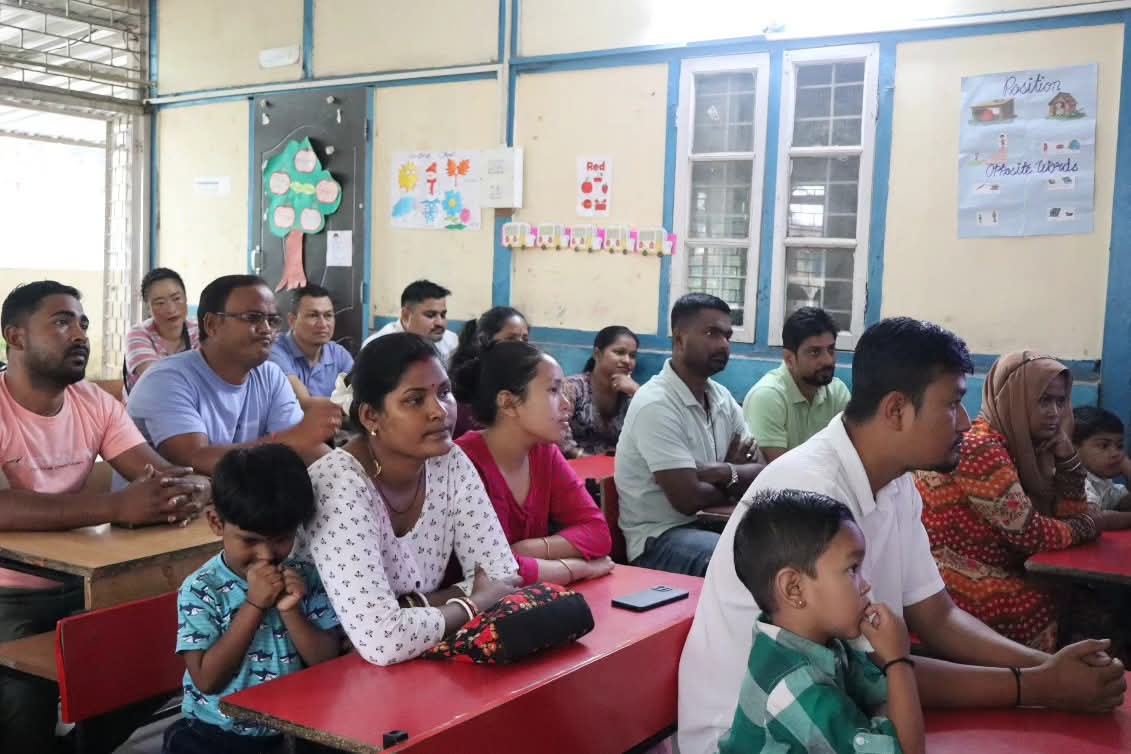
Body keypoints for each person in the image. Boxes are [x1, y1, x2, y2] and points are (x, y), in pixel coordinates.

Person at [678, 318, 1126, 754]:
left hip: (842, 713)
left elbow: (937, 616)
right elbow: (877, 666)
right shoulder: (811, 496)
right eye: (952, 404)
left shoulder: (897, 481)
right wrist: (1038, 684)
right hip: (762, 734)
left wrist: (1047, 668)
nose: (966, 424)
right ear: (896, 410)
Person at [0, 281, 209, 753]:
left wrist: (194, 489)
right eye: (61, 322)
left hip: (86, 581)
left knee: (155, 666)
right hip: (8, 594)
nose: (79, 334)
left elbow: (158, 473)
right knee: (23, 703)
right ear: (15, 337)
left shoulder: (93, 402)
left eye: (83, 322)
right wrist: (115, 506)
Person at [295, 333, 519, 666]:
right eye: (415, 400)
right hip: (307, 671)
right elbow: (384, 642)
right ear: (371, 417)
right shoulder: (339, 484)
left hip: (394, 662)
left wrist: (408, 608)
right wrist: (472, 602)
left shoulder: (449, 460)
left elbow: (502, 579)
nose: (439, 411)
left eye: (444, 392)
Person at [915, 352, 1127, 652]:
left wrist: (1068, 461)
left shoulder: (1030, 450)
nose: (1055, 412)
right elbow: (1034, 534)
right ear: (1012, 398)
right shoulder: (980, 447)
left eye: (1060, 401)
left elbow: (1069, 513)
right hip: (952, 573)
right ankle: (1051, 688)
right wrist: (1090, 523)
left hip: (1006, 564)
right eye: (1043, 401)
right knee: (1067, 608)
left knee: (1092, 605)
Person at [165, 444, 340, 754]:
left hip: (291, 730)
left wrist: (290, 610)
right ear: (217, 523)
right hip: (213, 736)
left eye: (281, 539)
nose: (266, 555)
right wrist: (254, 605)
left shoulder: (305, 578)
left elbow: (326, 662)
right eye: (250, 541)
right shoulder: (202, 589)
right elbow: (207, 679)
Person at [720, 490, 923, 754]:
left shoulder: (821, 644)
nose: (865, 585)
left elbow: (881, 697)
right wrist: (898, 660)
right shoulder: (796, 687)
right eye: (852, 570)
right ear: (794, 588)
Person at [126, 275, 342, 476]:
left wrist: (350, 478)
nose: (267, 329)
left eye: (272, 320)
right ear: (211, 325)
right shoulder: (167, 380)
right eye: (253, 318)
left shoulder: (270, 375)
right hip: (169, 512)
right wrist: (292, 440)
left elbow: (306, 448)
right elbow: (193, 460)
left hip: (237, 505)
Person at [614, 293, 765, 577]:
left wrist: (720, 471)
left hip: (710, 524)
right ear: (679, 340)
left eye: (727, 335)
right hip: (659, 539)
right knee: (744, 563)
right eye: (711, 333)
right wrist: (734, 475)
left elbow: (761, 470)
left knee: (792, 545)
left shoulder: (720, 397)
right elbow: (687, 499)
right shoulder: (656, 403)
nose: (723, 344)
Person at [453, 340, 614, 585]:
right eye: (552, 390)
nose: (566, 404)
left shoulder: (544, 452)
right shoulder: (465, 463)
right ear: (508, 403)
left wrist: (528, 548)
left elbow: (598, 533)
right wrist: (579, 568)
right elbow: (495, 571)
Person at [743, 307, 851, 462]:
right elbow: (778, 472)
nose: (828, 360)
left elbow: (850, 455)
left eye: (831, 349)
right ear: (789, 359)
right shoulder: (768, 396)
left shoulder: (837, 391)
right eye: (814, 352)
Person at [449, 306, 530, 439]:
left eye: (525, 339)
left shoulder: (526, 384)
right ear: (485, 341)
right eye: (511, 339)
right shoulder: (467, 390)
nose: (521, 346)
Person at [559, 325, 639, 458]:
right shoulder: (572, 388)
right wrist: (593, 464)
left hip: (617, 471)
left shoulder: (631, 394)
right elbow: (560, 440)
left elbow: (654, 435)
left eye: (632, 355)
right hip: (573, 469)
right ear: (597, 354)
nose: (627, 361)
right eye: (619, 352)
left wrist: (638, 392)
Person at [268, 283, 354, 407]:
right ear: (292, 321)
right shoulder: (275, 350)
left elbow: (358, 398)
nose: (323, 324)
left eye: (328, 315)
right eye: (313, 315)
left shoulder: (339, 354)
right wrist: (344, 407)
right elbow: (305, 403)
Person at [124, 268, 200, 392]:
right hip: (145, 409)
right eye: (160, 303)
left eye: (176, 299)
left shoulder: (199, 333)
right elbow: (156, 380)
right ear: (148, 308)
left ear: (186, 299)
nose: (170, 309)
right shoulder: (138, 335)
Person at [363, 280, 459, 367]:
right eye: (430, 315)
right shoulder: (376, 349)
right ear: (405, 316)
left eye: (443, 315)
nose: (440, 323)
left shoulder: (451, 342)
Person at [1073, 405, 1131, 517]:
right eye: (1104, 446)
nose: (1116, 453)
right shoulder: (1077, 481)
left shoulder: (1104, 482)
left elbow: (1126, 503)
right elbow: (1095, 518)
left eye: (1119, 446)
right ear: (1074, 450)